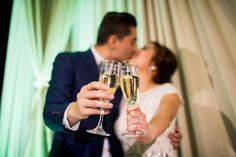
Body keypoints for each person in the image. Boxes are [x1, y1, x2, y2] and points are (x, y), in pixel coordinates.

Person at [43, 11, 181, 157]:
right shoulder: (69, 61)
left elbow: (160, 112)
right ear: (113, 41)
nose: (135, 48)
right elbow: (50, 114)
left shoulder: (126, 78)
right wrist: (75, 110)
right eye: (132, 41)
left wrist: (166, 131)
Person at [115, 41, 182, 157]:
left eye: (145, 48)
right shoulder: (124, 95)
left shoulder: (167, 90)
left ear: (155, 64)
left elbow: (165, 115)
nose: (136, 50)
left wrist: (148, 133)